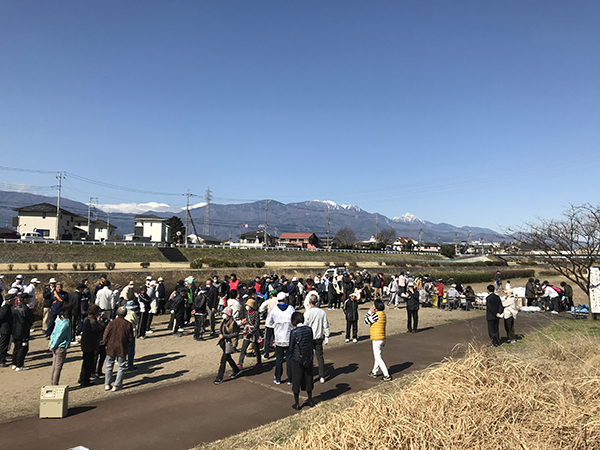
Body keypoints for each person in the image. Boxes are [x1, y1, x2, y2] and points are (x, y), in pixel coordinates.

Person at [266, 292, 296, 385]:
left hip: (279, 338)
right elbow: (295, 321)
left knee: (279, 359)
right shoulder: (291, 309)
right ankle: (290, 378)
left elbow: (269, 322)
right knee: (289, 359)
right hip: (289, 338)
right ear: (285, 299)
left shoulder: (273, 310)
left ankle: (278, 377)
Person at [103, 307, 134, 392]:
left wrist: (105, 343)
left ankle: (107, 384)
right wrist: (126, 344)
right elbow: (131, 338)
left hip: (110, 347)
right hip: (122, 347)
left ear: (117, 314)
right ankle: (117, 385)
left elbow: (105, 335)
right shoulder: (128, 324)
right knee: (121, 366)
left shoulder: (111, 323)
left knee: (109, 365)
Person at [289, 312, 315, 410]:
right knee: (308, 378)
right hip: (308, 357)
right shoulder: (309, 330)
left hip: (297, 359)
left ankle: (297, 403)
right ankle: (310, 399)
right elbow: (311, 342)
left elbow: (291, 347)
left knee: (296, 380)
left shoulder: (294, 332)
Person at [304, 292, 330, 383]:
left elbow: (305, 325)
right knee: (320, 357)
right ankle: (321, 376)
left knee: (309, 358)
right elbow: (325, 325)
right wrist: (327, 335)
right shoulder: (321, 312)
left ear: (310, 302)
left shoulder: (307, 313)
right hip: (319, 337)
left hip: (309, 338)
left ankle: (310, 376)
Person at [213, 306, 241, 384]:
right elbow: (220, 330)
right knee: (228, 358)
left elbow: (236, 333)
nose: (223, 315)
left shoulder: (233, 323)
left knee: (223, 360)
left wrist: (225, 336)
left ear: (228, 314)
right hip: (223, 343)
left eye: (224, 314)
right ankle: (236, 370)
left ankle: (219, 377)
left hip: (229, 343)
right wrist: (220, 334)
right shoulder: (223, 321)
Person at [365, 299, 391, 381]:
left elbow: (366, 321)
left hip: (376, 338)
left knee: (378, 357)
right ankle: (374, 372)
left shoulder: (376, 315)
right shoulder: (383, 314)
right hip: (382, 337)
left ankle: (386, 375)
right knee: (377, 356)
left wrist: (369, 312)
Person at [79, 304, 105, 386]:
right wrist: (100, 321)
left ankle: (82, 378)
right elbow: (101, 329)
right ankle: (85, 381)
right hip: (90, 345)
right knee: (89, 363)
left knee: (85, 362)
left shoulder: (87, 319)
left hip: (85, 344)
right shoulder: (93, 322)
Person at [48, 304, 72, 385]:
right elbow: (59, 335)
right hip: (60, 346)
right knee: (58, 367)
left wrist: (51, 343)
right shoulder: (66, 322)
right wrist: (53, 345)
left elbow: (54, 332)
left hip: (55, 345)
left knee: (54, 366)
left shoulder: (59, 320)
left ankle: (52, 383)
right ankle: (55, 384)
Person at [11, 291, 34, 370]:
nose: (29, 300)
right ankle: (19, 364)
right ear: (24, 299)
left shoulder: (15, 308)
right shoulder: (24, 309)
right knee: (23, 348)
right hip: (23, 331)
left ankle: (14, 363)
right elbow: (31, 318)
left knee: (16, 347)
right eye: (28, 299)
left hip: (15, 330)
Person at [237, 298, 261, 369]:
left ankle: (259, 361)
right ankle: (240, 363)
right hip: (247, 332)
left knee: (256, 349)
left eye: (248, 305)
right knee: (243, 348)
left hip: (253, 333)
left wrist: (252, 332)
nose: (247, 307)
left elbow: (257, 324)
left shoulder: (256, 313)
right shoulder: (247, 313)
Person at [259, 289, 279, 359]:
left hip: (269, 323)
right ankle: (277, 354)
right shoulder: (279, 302)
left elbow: (261, 309)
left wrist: (265, 313)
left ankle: (266, 354)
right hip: (277, 323)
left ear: (271, 295)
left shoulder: (268, 301)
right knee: (276, 339)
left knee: (267, 339)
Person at [0, 292, 15, 367]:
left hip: (8, 329)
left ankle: (3, 358)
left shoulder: (9, 308)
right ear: (9, 301)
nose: (14, 301)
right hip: (4, 329)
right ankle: (1, 360)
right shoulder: (4, 309)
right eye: (13, 300)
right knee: (3, 345)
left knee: (6, 345)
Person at [124, 300, 139, 370]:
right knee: (131, 349)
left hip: (124, 332)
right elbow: (136, 321)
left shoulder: (124, 312)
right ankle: (130, 364)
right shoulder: (133, 313)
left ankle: (122, 363)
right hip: (131, 332)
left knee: (124, 349)